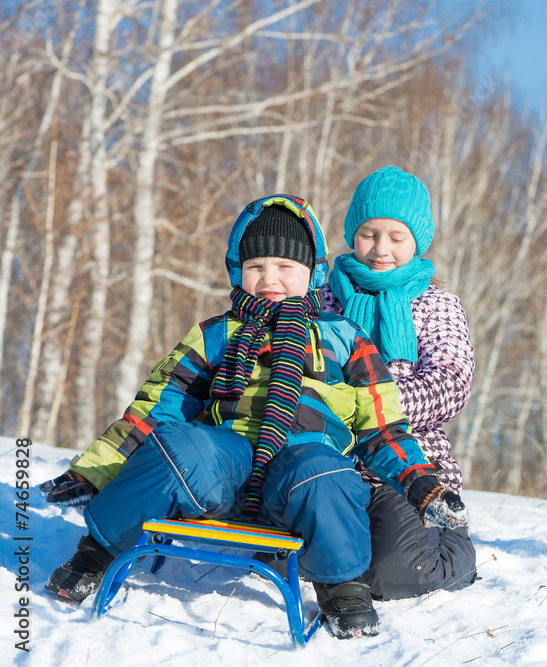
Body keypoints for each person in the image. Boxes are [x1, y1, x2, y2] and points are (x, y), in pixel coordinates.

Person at [39, 195, 469, 639]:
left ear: (312, 273)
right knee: (180, 447)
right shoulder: (216, 334)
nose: (271, 280)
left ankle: (343, 587)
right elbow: (156, 408)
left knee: (326, 472)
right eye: (257, 267)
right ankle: (95, 554)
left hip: (303, 468)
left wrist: (421, 482)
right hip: (229, 466)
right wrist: (93, 471)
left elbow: (383, 427)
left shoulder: (345, 339)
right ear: (237, 270)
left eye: (286, 268)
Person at [323, 165, 477, 601]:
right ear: (354, 233)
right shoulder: (322, 298)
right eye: (370, 234)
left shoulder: (436, 304)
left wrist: (363, 403)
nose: (381, 249)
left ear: (418, 240)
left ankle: (453, 546)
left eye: (396, 237)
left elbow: (450, 383)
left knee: (397, 574)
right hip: (334, 459)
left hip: (410, 466)